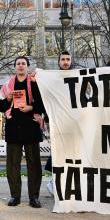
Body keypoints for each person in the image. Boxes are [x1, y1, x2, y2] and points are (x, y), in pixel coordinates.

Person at [0, 56, 45, 208]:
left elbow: (43, 104)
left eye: (24, 63)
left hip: (31, 126)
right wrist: (8, 100)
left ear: (28, 67)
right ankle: (15, 196)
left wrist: (32, 108)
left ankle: (34, 197)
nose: (21, 66)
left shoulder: (35, 83)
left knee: (34, 165)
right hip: (13, 128)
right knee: (12, 165)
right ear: (14, 67)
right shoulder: (7, 85)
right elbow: (0, 107)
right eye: (18, 63)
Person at [45, 51, 74, 196]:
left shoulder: (77, 78)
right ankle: (54, 183)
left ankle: (71, 185)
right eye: (63, 59)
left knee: (73, 155)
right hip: (58, 123)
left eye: (68, 59)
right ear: (58, 62)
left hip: (74, 125)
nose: (65, 62)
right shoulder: (53, 79)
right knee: (58, 154)